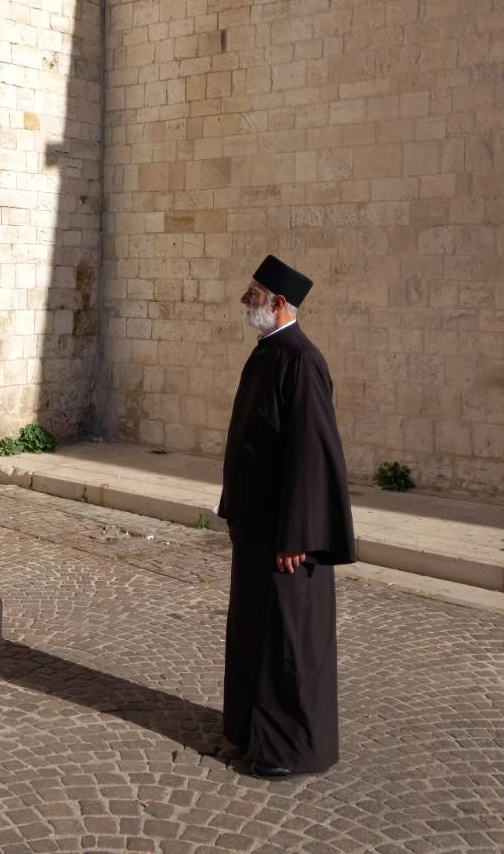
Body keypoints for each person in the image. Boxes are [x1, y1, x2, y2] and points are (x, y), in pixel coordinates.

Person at [218, 255, 356, 778]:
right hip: (257, 528)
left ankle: (289, 750)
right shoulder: (268, 352)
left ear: (278, 302)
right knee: (254, 632)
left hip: (286, 535)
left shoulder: (302, 361)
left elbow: (312, 454)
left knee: (287, 641)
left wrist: (299, 533)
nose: (244, 299)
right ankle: (250, 734)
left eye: (253, 293)